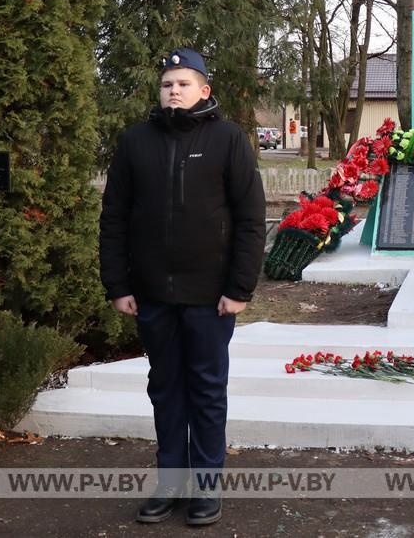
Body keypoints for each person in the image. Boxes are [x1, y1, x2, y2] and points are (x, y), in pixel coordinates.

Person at [99, 48, 266, 527]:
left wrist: (239, 288)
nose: (174, 90)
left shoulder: (228, 140)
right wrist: (119, 284)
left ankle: (206, 489)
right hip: (153, 295)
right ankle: (170, 483)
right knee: (166, 390)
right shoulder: (135, 142)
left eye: (183, 83)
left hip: (211, 298)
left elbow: (251, 220)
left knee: (207, 392)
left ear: (204, 90)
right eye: (167, 84)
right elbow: (115, 218)